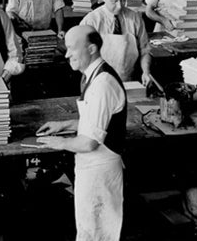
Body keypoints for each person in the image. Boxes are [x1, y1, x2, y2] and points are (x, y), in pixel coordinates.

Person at [36, 26, 126, 241]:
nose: (66, 55)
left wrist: (58, 143)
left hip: (100, 169)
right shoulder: (92, 75)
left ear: (92, 48)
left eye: (71, 49)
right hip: (91, 166)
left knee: (98, 232)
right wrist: (64, 125)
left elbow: (89, 143)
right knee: (88, 229)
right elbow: (97, 120)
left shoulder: (102, 84)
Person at [81, 0, 151, 83]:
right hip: (98, 81)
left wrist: (146, 72)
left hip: (128, 80)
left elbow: (145, 51)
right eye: (114, 1)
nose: (119, 6)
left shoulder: (135, 18)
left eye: (123, 0)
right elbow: (82, 56)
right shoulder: (91, 21)